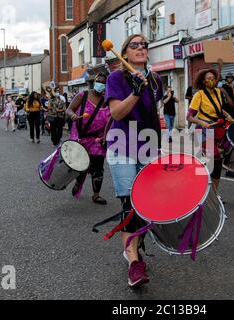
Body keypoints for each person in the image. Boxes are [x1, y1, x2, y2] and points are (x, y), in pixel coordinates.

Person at [104, 34, 163, 287]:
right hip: (121, 146)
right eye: (135, 45)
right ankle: (134, 262)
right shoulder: (116, 77)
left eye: (144, 45)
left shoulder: (156, 79)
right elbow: (117, 112)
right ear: (125, 52)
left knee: (145, 205)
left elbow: (152, 115)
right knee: (130, 204)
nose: (141, 48)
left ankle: (137, 247)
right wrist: (135, 93)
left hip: (148, 146)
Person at [186, 68, 234, 193]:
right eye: (208, 78)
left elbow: (218, 109)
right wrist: (202, 122)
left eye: (213, 78)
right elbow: (189, 116)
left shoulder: (218, 92)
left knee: (217, 163)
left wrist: (226, 115)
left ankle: (214, 194)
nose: (211, 80)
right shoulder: (199, 95)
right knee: (212, 162)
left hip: (217, 128)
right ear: (203, 81)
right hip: (203, 130)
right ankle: (200, 192)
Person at [66, 73, 111, 204]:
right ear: (94, 82)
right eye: (99, 81)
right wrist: (72, 115)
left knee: (98, 166)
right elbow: (69, 110)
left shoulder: (107, 100)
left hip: (96, 138)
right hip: (80, 136)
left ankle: (96, 195)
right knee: (81, 165)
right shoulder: (82, 95)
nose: (100, 84)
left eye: (104, 82)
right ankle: (78, 181)